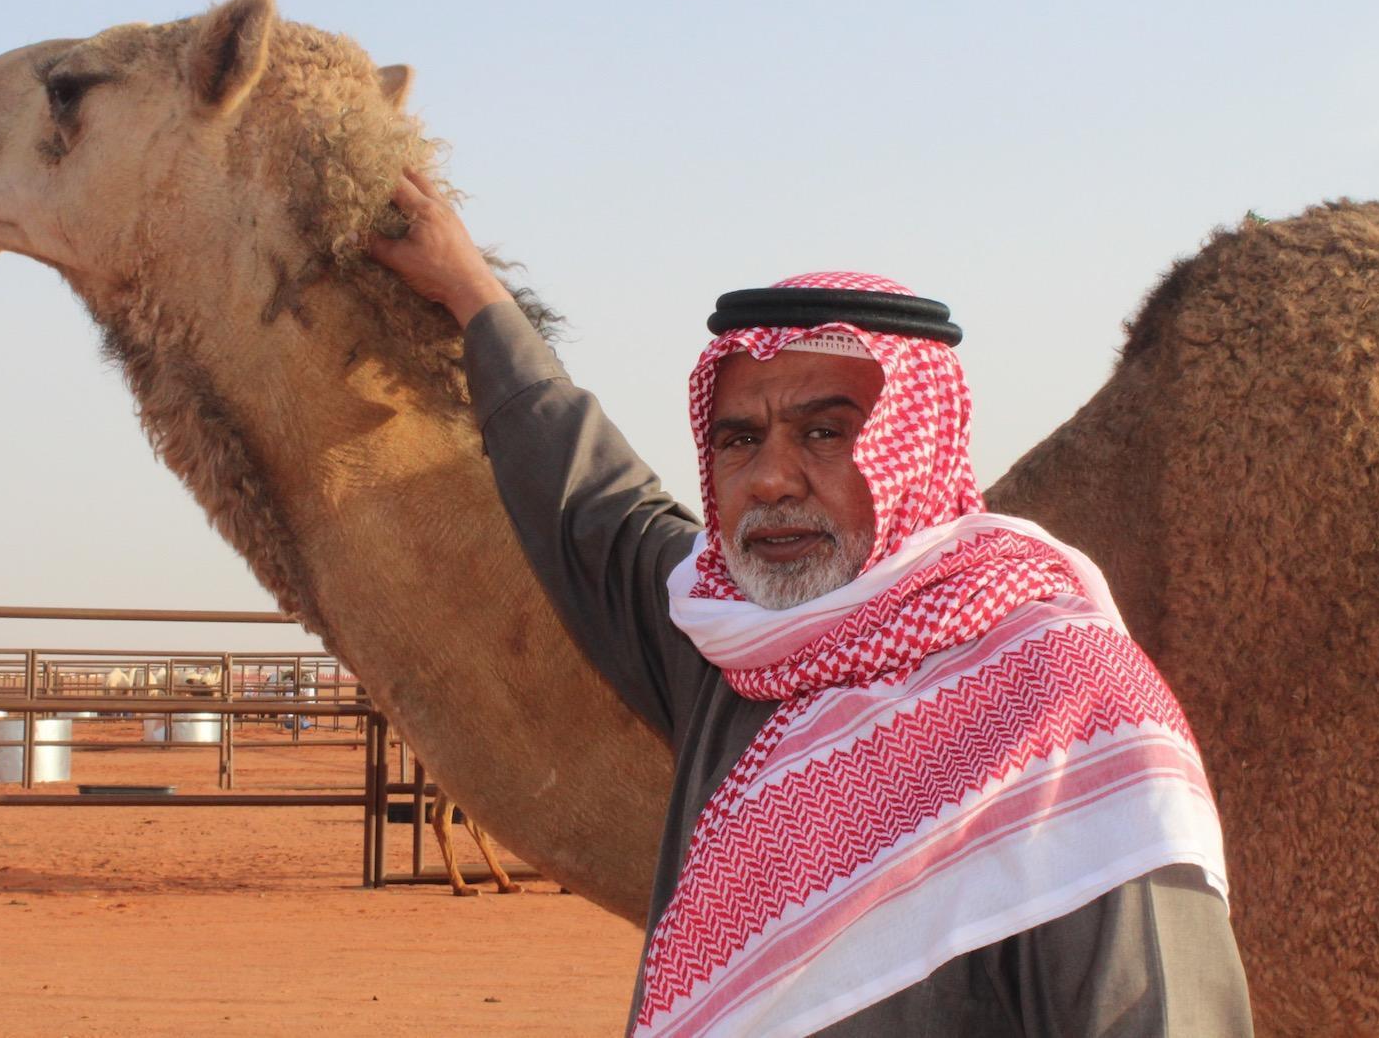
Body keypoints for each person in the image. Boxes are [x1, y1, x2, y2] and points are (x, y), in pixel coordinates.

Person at [372, 171, 1254, 1037]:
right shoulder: (726, 642)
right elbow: (592, 503)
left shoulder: (1069, 701)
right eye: (739, 439)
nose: (768, 478)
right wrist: (470, 290)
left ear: (919, 444)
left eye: (826, 433)